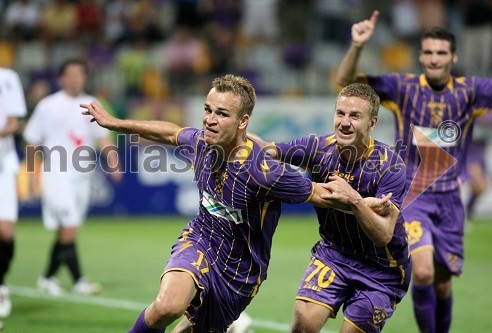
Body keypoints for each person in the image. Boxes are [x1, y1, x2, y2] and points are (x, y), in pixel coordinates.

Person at [81, 75, 391, 332]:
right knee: (168, 305)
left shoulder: (266, 172)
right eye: (208, 109)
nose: (210, 120)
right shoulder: (203, 142)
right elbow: (172, 132)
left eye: (221, 114)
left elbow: (320, 193)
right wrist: (117, 124)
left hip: (241, 272)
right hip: (202, 239)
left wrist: (363, 204)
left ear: (243, 121)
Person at [336, 11, 492, 333]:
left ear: (453, 56)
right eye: (429, 52)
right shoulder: (401, 86)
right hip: (412, 196)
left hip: (450, 201)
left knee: (443, 285)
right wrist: (357, 45)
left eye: (441, 53)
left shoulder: (471, 91)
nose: (434, 59)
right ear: (420, 56)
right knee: (422, 272)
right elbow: (346, 82)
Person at [251, 83, 411, 332]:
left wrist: (355, 201)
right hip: (334, 254)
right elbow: (267, 149)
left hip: (382, 270)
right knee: (303, 325)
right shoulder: (317, 148)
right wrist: (232, 135)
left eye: (355, 116)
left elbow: (383, 235)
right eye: (340, 113)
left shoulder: (390, 166)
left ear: (372, 123)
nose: (344, 122)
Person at [23, 58, 121, 296]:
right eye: (71, 74)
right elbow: (32, 141)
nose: (76, 78)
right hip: (56, 174)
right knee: (69, 227)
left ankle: (47, 278)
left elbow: (102, 137)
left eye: (80, 74)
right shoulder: (48, 105)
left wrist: (113, 161)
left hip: (83, 176)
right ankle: (79, 280)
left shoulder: (92, 104)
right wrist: (32, 175)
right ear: (62, 78)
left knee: (65, 230)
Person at [0, 64, 27, 318]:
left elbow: (15, 122)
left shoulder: (6, 77)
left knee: (6, 234)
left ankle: (0, 282)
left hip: (1, 165)